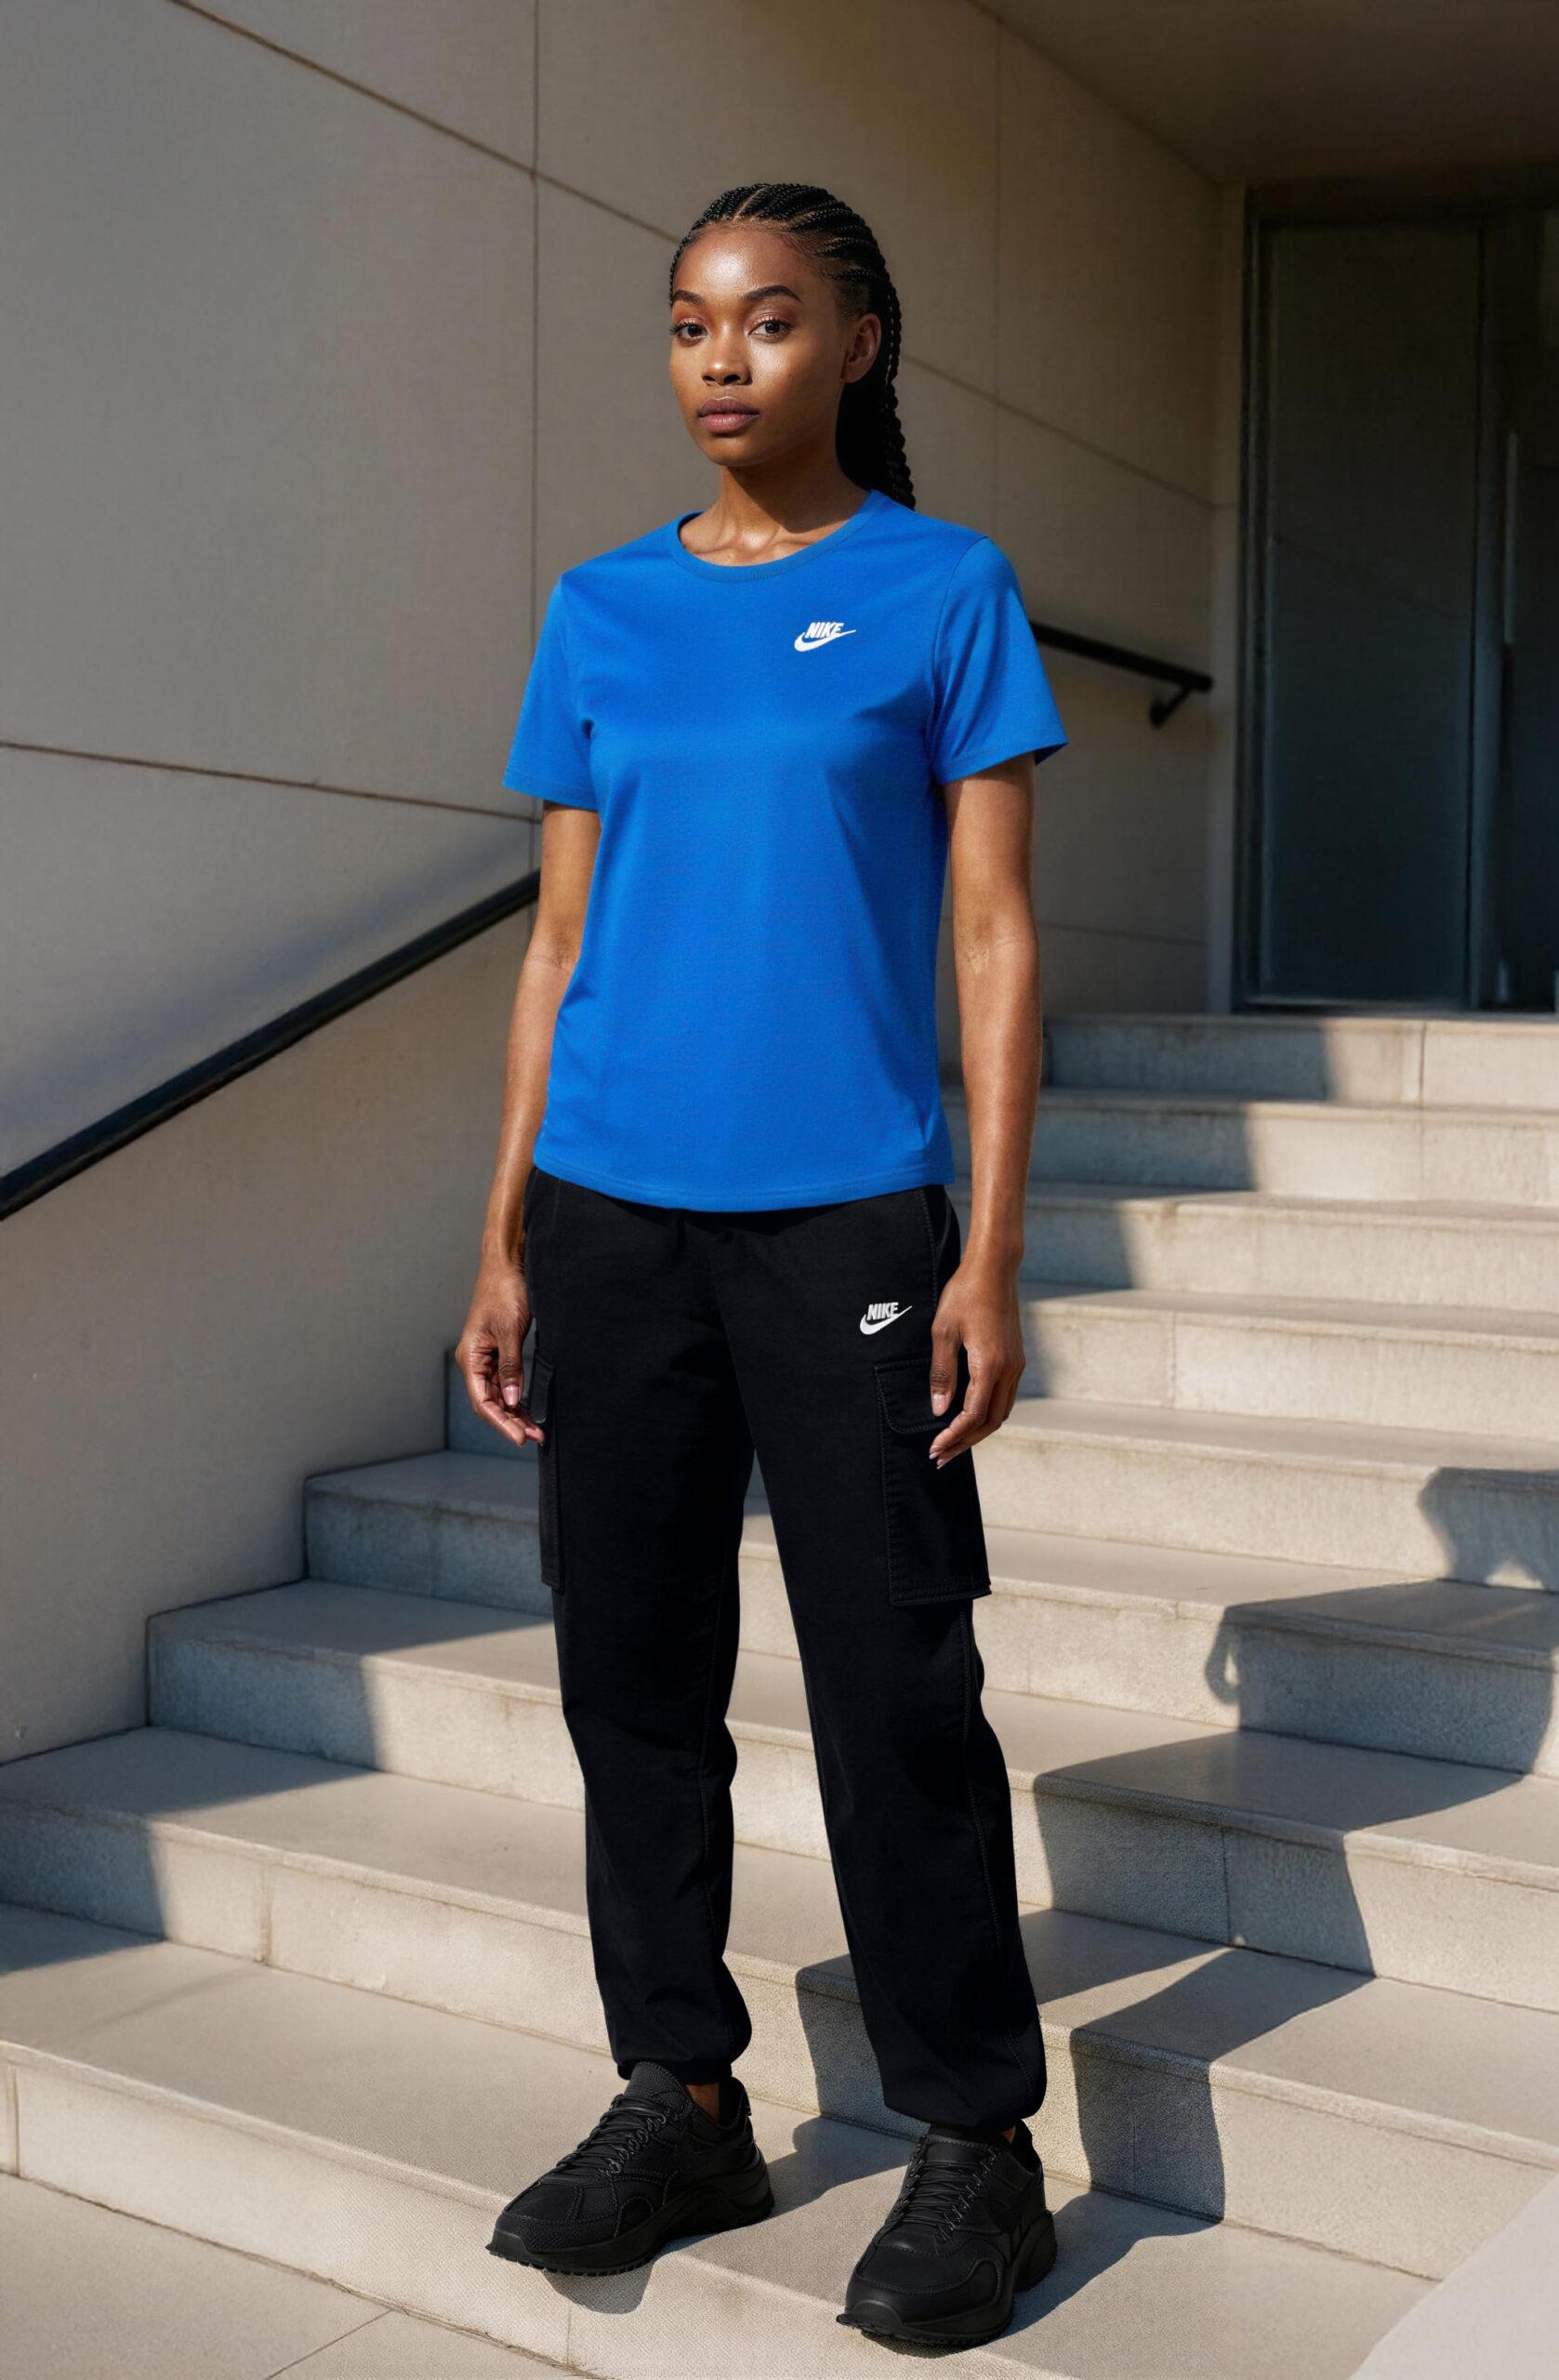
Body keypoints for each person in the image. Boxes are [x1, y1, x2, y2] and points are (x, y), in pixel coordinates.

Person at [459, 179, 1067, 2352]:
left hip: (848, 1228)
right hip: (611, 1216)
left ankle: (974, 2135)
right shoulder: (600, 608)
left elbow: (989, 940)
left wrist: (990, 1247)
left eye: (771, 318)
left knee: (892, 1682)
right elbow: (555, 946)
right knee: (628, 1673)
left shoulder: (941, 588)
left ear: (857, 344)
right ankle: (682, 2090)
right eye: (691, 321)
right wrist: (504, 1227)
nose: (722, 358)